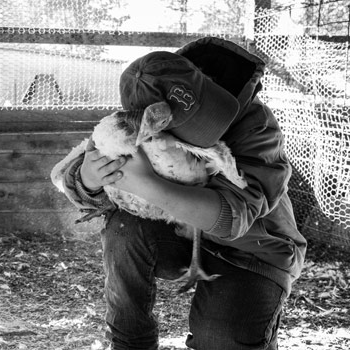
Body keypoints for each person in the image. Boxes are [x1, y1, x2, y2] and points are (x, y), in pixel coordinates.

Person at [58, 37, 307, 349]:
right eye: (191, 125)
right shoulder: (146, 115)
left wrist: (144, 183)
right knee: (125, 227)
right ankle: (130, 342)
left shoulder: (256, 127)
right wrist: (89, 179)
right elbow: (78, 172)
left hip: (252, 251)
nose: (204, 132)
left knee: (222, 339)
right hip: (177, 236)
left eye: (215, 116)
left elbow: (234, 218)